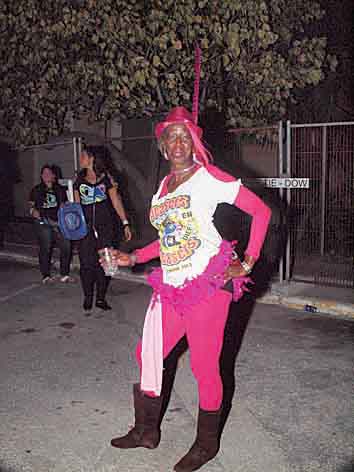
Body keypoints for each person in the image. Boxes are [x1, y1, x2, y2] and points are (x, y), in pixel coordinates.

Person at [101, 107, 271, 472]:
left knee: (203, 365)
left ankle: (205, 444)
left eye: (184, 136)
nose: (178, 143)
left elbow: (261, 212)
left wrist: (249, 260)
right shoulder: (164, 188)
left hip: (210, 283)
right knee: (147, 354)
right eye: (171, 138)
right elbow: (167, 240)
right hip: (173, 285)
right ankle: (146, 431)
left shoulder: (207, 177)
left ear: (193, 143)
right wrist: (132, 258)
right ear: (163, 147)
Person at [74, 145, 132, 312]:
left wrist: (125, 223)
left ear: (92, 158)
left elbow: (116, 201)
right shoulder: (79, 179)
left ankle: (100, 298)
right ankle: (88, 297)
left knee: (105, 264)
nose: (81, 159)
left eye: (83, 156)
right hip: (85, 229)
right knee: (86, 264)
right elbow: (77, 205)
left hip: (106, 228)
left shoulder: (107, 178)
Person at [29, 164, 73, 284]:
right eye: (44, 173)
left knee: (66, 246)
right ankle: (46, 275)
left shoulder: (60, 189)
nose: (46, 175)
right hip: (43, 221)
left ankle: (64, 274)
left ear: (54, 175)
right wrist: (33, 212)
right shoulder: (36, 189)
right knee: (46, 246)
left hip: (58, 222)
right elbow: (31, 206)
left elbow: (65, 205)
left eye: (49, 173)